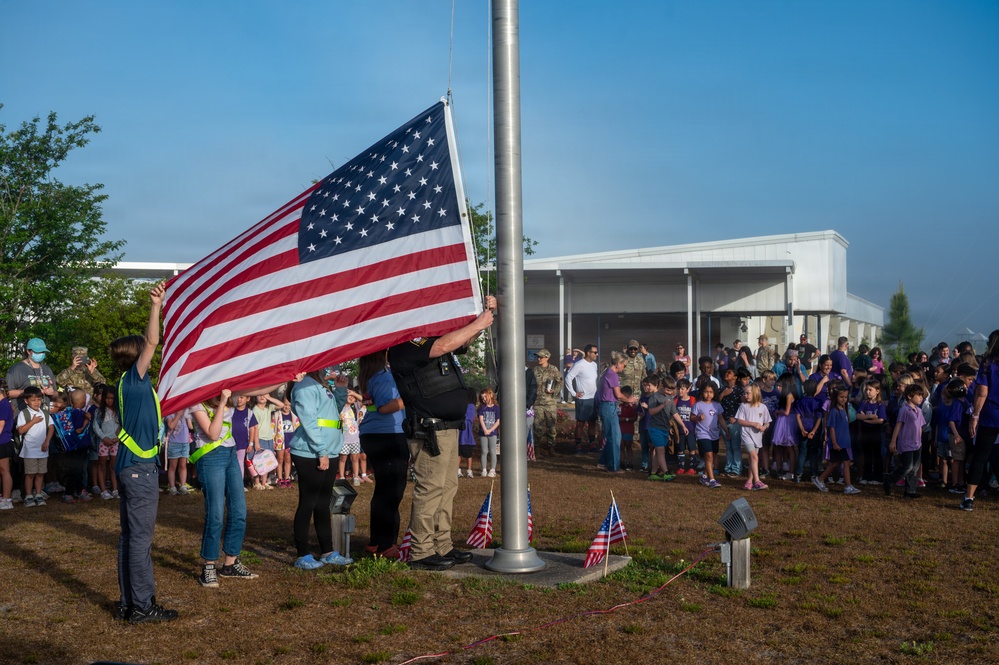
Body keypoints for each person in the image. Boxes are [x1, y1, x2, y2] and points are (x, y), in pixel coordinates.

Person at [388, 295, 496, 571]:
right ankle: (422, 551)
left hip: (447, 429)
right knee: (430, 489)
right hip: (429, 431)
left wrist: (483, 317)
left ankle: (442, 544)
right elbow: (444, 345)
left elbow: (460, 341)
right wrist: (479, 322)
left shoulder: (431, 343)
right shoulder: (405, 346)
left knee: (448, 488)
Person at [111, 282, 178, 623]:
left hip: (128, 466)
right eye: (145, 352)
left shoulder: (128, 384)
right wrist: (156, 305)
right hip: (139, 469)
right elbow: (153, 340)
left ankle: (128, 602)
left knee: (128, 538)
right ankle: (142, 605)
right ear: (136, 355)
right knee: (140, 540)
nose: (150, 354)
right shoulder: (135, 379)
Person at [288, 368, 354, 568]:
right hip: (311, 452)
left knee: (323, 503)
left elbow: (333, 410)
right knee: (308, 502)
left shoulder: (321, 383)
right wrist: (321, 451)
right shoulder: (305, 385)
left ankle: (327, 552)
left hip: (328, 450)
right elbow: (309, 420)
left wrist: (341, 390)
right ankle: (303, 554)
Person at [358, 350, 408, 559]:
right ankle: (387, 544)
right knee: (393, 492)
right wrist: (409, 397)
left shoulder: (370, 377)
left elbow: (375, 406)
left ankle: (376, 541)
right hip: (389, 434)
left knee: (382, 490)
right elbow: (387, 407)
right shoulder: (385, 377)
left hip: (372, 434)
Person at [960, 329, 999, 512]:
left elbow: (982, 392)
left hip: (990, 415)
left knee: (980, 457)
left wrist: (974, 416)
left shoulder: (987, 364)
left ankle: (968, 498)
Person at [812, 385, 860, 495]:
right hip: (838, 443)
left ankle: (820, 479)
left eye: (846, 397)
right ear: (836, 397)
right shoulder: (834, 411)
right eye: (841, 397)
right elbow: (831, 428)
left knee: (837, 463)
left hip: (844, 442)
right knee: (845, 462)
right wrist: (834, 442)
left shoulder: (844, 410)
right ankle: (847, 486)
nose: (844, 399)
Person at [597, 351, 638, 473]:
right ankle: (613, 466)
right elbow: (618, 395)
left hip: (607, 406)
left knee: (611, 436)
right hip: (609, 406)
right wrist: (630, 399)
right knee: (614, 437)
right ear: (618, 363)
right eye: (624, 365)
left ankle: (603, 461)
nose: (624, 367)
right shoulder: (613, 375)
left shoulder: (606, 373)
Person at [884, 384, 928, 498]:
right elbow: (898, 425)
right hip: (906, 443)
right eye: (918, 395)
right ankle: (890, 479)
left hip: (917, 443)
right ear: (909, 396)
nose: (921, 398)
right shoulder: (904, 410)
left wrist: (920, 440)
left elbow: (920, 427)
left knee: (914, 468)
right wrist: (893, 441)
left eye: (921, 396)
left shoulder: (919, 410)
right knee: (907, 466)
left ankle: (910, 491)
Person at [644, 375, 686, 481]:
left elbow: (675, 413)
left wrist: (683, 425)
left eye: (671, 391)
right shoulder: (655, 397)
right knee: (661, 450)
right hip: (655, 428)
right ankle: (666, 473)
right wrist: (662, 405)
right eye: (667, 390)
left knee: (658, 451)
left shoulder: (670, 398)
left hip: (665, 428)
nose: (669, 393)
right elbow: (651, 411)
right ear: (662, 386)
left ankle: (653, 473)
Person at [17, 386, 53, 507]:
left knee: (40, 473)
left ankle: (38, 494)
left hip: (43, 449)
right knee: (30, 473)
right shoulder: (24, 413)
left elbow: (51, 427)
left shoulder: (45, 413)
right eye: (33, 400)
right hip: (29, 450)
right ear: (26, 401)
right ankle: (28, 495)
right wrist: (33, 421)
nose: (37, 402)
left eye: (39, 399)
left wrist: (47, 441)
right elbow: (21, 430)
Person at [690, 382, 728, 488]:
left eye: (711, 392)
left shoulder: (717, 405)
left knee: (713, 456)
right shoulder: (698, 404)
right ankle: (712, 480)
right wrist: (698, 418)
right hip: (702, 434)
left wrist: (726, 431)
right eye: (706, 392)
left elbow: (721, 419)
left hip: (714, 435)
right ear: (702, 392)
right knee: (709, 455)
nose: (708, 394)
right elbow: (691, 417)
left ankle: (704, 475)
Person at [737, 384, 772, 490]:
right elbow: (740, 420)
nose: (745, 395)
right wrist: (753, 424)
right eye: (745, 393)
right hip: (746, 434)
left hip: (757, 436)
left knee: (753, 459)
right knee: (754, 456)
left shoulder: (763, 407)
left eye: (748, 393)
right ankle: (757, 481)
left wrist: (764, 427)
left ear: (755, 393)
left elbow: (767, 421)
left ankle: (749, 481)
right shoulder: (743, 406)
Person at [565, 345, 599, 453]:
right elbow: (568, 378)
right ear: (588, 353)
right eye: (595, 352)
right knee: (580, 423)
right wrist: (574, 393)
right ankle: (578, 446)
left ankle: (592, 445)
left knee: (592, 422)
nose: (596, 354)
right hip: (583, 399)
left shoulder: (594, 365)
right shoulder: (579, 364)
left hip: (593, 398)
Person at [531, 349, 562, 456]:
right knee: (537, 426)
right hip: (537, 402)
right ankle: (537, 449)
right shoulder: (534, 370)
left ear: (547, 358)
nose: (539, 359)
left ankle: (551, 448)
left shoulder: (553, 369)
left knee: (551, 427)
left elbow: (560, 381)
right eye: (538, 357)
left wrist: (555, 392)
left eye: (541, 357)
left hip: (550, 403)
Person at [164, 409, 193, 495]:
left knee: (183, 466)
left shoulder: (185, 412)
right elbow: (171, 426)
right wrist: (178, 415)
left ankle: (183, 485)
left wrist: (188, 417)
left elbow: (191, 427)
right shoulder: (169, 414)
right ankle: (172, 487)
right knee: (173, 466)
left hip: (185, 443)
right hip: (174, 443)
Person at [477, 387, 500, 478]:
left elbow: (498, 421)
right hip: (483, 433)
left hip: (493, 433)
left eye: (485, 397)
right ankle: (483, 469)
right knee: (484, 451)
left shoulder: (496, 408)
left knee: (492, 451)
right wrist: (485, 430)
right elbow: (481, 419)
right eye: (482, 398)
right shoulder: (481, 408)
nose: (484, 399)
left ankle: (492, 469)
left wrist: (490, 430)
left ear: (490, 395)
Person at [0, 381, 14, 510]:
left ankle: (7, 498)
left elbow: (1, 425)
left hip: (3, 442)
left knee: (4, 470)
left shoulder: (3, 404)